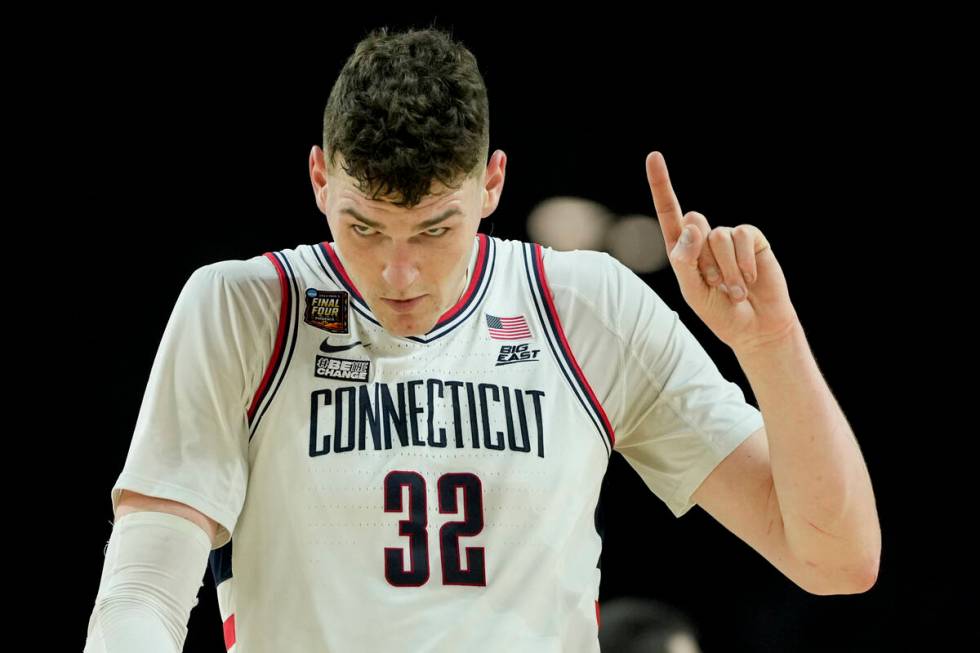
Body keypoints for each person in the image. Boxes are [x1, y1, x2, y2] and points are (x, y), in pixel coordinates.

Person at [84, 25, 881, 653]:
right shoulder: (245, 308)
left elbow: (835, 557)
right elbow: (143, 595)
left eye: (435, 229)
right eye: (364, 227)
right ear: (320, 179)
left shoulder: (585, 306)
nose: (398, 272)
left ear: (493, 182)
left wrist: (771, 343)